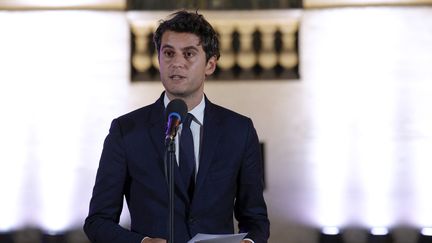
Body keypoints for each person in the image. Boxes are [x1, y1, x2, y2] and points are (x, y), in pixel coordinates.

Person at [84, 10, 270, 243]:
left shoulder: (239, 131)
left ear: (210, 64)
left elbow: (255, 219)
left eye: (189, 54)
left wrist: (248, 242)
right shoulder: (126, 131)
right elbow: (97, 221)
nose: (177, 63)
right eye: (169, 53)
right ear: (159, 60)